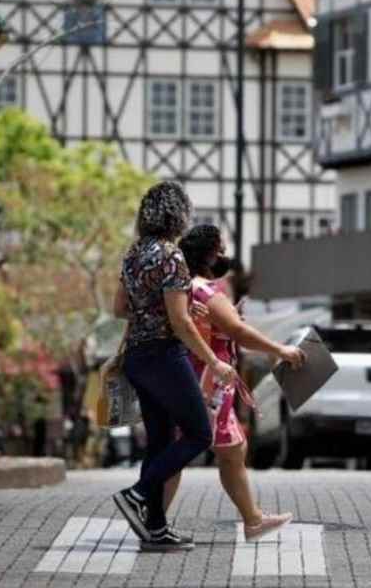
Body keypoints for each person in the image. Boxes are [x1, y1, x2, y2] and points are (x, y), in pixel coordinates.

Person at [165, 224, 306, 541]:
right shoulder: (205, 291)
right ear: (210, 254)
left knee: (230, 449)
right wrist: (280, 349)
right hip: (209, 381)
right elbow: (238, 332)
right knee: (185, 452)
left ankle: (252, 519)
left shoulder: (185, 287)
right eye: (222, 250)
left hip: (201, 379)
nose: (226, 256)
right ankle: (152, 519)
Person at [112, 181, 230, 553]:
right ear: (178, 215)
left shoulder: (134, 254)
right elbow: (180, 323)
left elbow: (119, 308)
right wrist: (213, 361)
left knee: (160, 441)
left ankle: (155, 528)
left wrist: (160, 309)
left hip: (137, 356)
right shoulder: (171, 256)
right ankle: (138, 494)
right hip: (165, 355)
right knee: (199, 434)